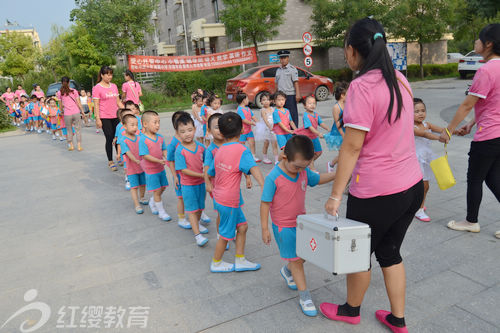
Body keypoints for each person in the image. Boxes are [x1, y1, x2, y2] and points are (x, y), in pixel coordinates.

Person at [322, 18, 423, 332]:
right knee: (390, 251)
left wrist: (335, 195)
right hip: (412, 186)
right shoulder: (400, 80)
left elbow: (352, 149)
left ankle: (351, 310)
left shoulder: (362, 87)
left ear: (352, 51)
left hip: (377, 193)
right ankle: (398, 319)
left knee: (358, 255)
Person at [261, 135, 335, 317]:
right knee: (296, 261)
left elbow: (317, 179)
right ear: (285, 157)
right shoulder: (273, 178)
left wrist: (338, 175)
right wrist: (264, 228)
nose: (301, 170)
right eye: (297, 166)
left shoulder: (302, 172)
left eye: (304, 167)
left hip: (302, 224)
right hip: (283, 227)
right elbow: (265, 203)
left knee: (304, 255)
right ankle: (305, 296)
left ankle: (287, 271)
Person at [438, 23, 500, 239]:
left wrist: (448, 130)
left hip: (488, 136)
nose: (475, 43)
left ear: (489, 44)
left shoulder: (486, 70)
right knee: (492, 178)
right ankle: (471, 219)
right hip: (498, 135)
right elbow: (492, 103)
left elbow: (466, 104)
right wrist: (472, 123)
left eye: (479, 39)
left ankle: (471, 221)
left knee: (474, 178)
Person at [207, 112, 265, 273]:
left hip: (221, 197)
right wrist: (264, 186)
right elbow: (254, 169)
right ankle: (216, 262)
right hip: (229, 200)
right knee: (226, 234)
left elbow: (211, 172)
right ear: (241, 130)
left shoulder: (219, 150)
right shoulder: (242, 150)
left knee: (243, 227)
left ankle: (240, 260)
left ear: (223, 132)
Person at [175, 113, 210, 246]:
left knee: (200, 207)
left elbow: (208, 161)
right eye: (182, 132)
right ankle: (197, 235)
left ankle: (198, 223)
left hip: (201, 184)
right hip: (188, 185)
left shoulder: (201, 147)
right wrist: (202, 175)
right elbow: (183, 170)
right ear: (178, 134)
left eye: (190, 130)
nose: (187, 134)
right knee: (191, 209)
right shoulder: (180, 150)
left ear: (195, 129)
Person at [413, 98, 445, 222]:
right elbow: (425, 134)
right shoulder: (411, 126)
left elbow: (443, 129)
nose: (421, 113)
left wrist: (454, 131)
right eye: (416, 111)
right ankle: (419, 209)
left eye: (423, 110)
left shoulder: (427, 124)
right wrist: (439, 138)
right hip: (414, 160)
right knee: (422, 186)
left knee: (426, 186)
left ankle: (419, 205)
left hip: (425, 159)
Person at [138, 110, 171, 222]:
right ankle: (161, 212)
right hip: (150, 170)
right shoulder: (142, 139)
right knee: (157, 191)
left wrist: (166, 156)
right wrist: (158, 160)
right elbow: (145, 155)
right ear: (145, 124)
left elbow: (164, 149)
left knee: (163, 187)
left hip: (160, 168)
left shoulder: (160, 137)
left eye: (159, 122)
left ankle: (153, 201)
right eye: (155, 122)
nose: (158, 125)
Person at [204, 113, 229, 250]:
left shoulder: (230, 145)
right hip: (216, 187)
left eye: (223, 127)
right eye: (216, 127)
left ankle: (230, 230)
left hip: (231, 185)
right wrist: (208, 183)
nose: (220, 130)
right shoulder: (210, 150)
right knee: (221, 212)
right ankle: (221, 235)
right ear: (209, 131)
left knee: (231, 210)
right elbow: (206, 168)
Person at [93, 66, 125, 171]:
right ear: (102, 75)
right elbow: (96, 104)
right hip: (104, 117)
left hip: (116, 116)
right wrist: (98, 119)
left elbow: (118, 102)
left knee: (118, 137)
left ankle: (119, 156)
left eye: (111, 74)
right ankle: (110, 161)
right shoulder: (97, 88)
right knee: (109, 137)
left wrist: (127, 111)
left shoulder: (114, 86)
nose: (109, 76)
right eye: (107, 74)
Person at [120, 114, 148, 214]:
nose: (135, 127)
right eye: (132, 125)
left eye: (136, 125)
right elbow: (128, 153)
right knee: (134, 186)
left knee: (143, 184)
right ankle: (137, 204)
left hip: (142, 166)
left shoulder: (139, 137)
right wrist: (136, 160)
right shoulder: (123, 140)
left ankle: (142, 197)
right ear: (124, 126)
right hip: (132, 168)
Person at [298, 95, 329, 171]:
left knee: (318, 152)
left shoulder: (316, 114)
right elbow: (310, 127)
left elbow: (321, 123)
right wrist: (318, 133)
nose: (312, 105)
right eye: (309, 103)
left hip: (314, 136)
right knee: (311, 154)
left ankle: (305, 164)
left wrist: (328, 128)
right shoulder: (306, 115)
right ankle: (312, 169)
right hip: (308, 138)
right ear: (305, 106)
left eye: (314, 103)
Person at [57, 77, 85, 151]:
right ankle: (79, 146)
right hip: (76, 112)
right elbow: (78, 102)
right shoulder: (74, 91)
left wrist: (62, 111)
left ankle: (71, 145)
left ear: (61, 83)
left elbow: (60, 105)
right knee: (78, 129)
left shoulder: (59, 93)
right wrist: (82, 111)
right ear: (69, 83)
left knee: (69, 130)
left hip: (67, 114)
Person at [275, 50, 301, 127]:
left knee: (292, 114)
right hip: (280, 96)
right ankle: (285, 131)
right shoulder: (278, 70)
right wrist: (275, 96)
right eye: (281, 58)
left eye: (284, 58)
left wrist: (298, 94)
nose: (283, 60)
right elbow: (276, 83)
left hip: (290, 95)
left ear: (288, 58)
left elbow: (296, 82)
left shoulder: (292, 69)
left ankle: (295, 132)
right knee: (281, 114)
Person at [327, 82, 349, 173]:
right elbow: (337, 123)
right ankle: (331, 164)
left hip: (346, 131)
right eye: (348, 94)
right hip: (339, 133)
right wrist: (343, 135)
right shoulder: (336, 107)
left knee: (345, 153)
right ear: (342, 95)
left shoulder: (347, 104)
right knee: (342, 154)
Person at [254, 92, 278, 164]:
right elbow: (265, 120)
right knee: (266, 144)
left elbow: (276, 118)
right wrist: (270, 127)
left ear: (271, 101)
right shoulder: (263, 110)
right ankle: (265, 158)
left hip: (273, 128)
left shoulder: (273, 109)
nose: (266, 101)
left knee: (274, 144)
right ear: (261, 102)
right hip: (266, 129)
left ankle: (276, 160)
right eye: (264, 100)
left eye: (268, 100)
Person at [236, 93, 260, 162]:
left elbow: (253, 116)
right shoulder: (239, 109)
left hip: (249, 130)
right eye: (247, 99)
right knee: (242, 144)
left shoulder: (248, 109)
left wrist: (258, 122)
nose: (248, 100)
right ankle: (241, 157)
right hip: (242, 130)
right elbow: (243, 120)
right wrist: (252, 123)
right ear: (243, 100)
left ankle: (253, 156)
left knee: (252, 143)